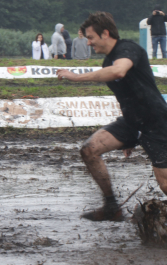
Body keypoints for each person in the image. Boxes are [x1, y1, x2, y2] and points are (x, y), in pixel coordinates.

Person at [56, 12, 167, 221]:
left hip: (156, 122)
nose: (88, 43)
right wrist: (131, 134)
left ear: (105, 33)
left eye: (91, 38)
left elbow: (119, 72)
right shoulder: (107, 60)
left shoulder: (128, 49)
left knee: (165, 184)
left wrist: (76, 77)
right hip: (133, 121)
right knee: (89, 150)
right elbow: (125, 97)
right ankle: (111, 207)